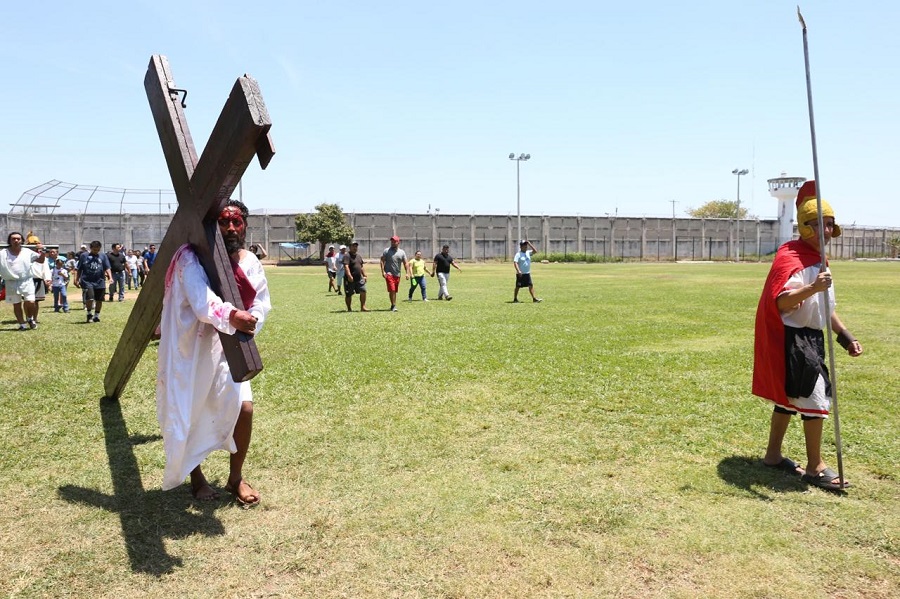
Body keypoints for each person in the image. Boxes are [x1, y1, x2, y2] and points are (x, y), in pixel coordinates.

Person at [157, 199, 271, 505]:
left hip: (230, 347)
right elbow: (201, 300)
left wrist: (251, 320)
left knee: (244, 410)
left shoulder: (250, 261)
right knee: (192, 412)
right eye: (223, 222)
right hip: (193, 348)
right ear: (210, 225)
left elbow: (261, 302)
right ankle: (196, 477)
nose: (231, 228)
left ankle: (236, 477)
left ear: (245, 226)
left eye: (236, 222)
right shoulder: (189, 258)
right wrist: (232, 316)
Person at [753, 181, 862, 491]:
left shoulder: (819, 260)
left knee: (789, 400)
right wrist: (812, 287)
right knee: (814, 398)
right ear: (804, 226)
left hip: (812, 339)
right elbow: (781, 302)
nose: (825, 230)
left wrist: (846, 336)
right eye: (817, 224)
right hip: (794, 340)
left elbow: (825, 308)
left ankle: (773, 456)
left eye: (829, 224)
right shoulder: (792, 257)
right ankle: (815, 467)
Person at [0, 232, 47, 330]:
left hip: (26, 281)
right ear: (9, 241)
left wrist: (42, 251)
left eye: (18, 239)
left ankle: (30, 318)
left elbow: (41, 260)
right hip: (11, 281)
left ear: (21, 240)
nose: (16, 241)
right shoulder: (3, 253)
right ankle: (22, 324)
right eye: (13, 239)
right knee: (16, 304)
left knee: (31, 301)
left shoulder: (27, 252)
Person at [74, 240, 111, 323]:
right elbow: (79, 269)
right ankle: (89, 314)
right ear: (90, 248)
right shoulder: (84, 256)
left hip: (100, 281)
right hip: (87, 281)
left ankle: (96, 316)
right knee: (90, 298)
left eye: (98, 250)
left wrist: (110, 277)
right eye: (94, 249)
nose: (96, 251)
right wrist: (76, 279)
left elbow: (107, 267)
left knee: (99, 300)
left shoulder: (103, 256)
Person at [380, 235, 410, 312]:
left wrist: (407, 273)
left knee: (394, 291)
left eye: (394, 241)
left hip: (397, 274)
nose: (392, 243)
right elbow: (382, 261)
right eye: (392, 241)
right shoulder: (386, 251)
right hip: (389, 273)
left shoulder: (402, 252)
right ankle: (393, 305)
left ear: (398, 242)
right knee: (392, 289)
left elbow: (406, 263)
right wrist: (383, 271)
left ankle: (392, 305)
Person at [342, 241, 368, 312]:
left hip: (359, 278)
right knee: (349, 294)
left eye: (356, 246)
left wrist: (364, 275)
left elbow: (361, 266)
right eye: (353, 246)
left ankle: (363, 307)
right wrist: (349, 276)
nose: (355, 248)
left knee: (363, 291)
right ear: (350, 247)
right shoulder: (347, 256)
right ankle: (349, 308)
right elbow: (346, 266)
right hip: (350, 279)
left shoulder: (358, 256)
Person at [30, 245, 52, 323]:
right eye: (38, 249)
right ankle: (28, 317)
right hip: (28, 280)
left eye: (42, 250)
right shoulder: (29, 256)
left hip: (38, 280)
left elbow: (46, 269)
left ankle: (34, 318)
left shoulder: (44, 259)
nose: (40, 251)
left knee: (36, 301)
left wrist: (47, 279)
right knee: (28, 300)